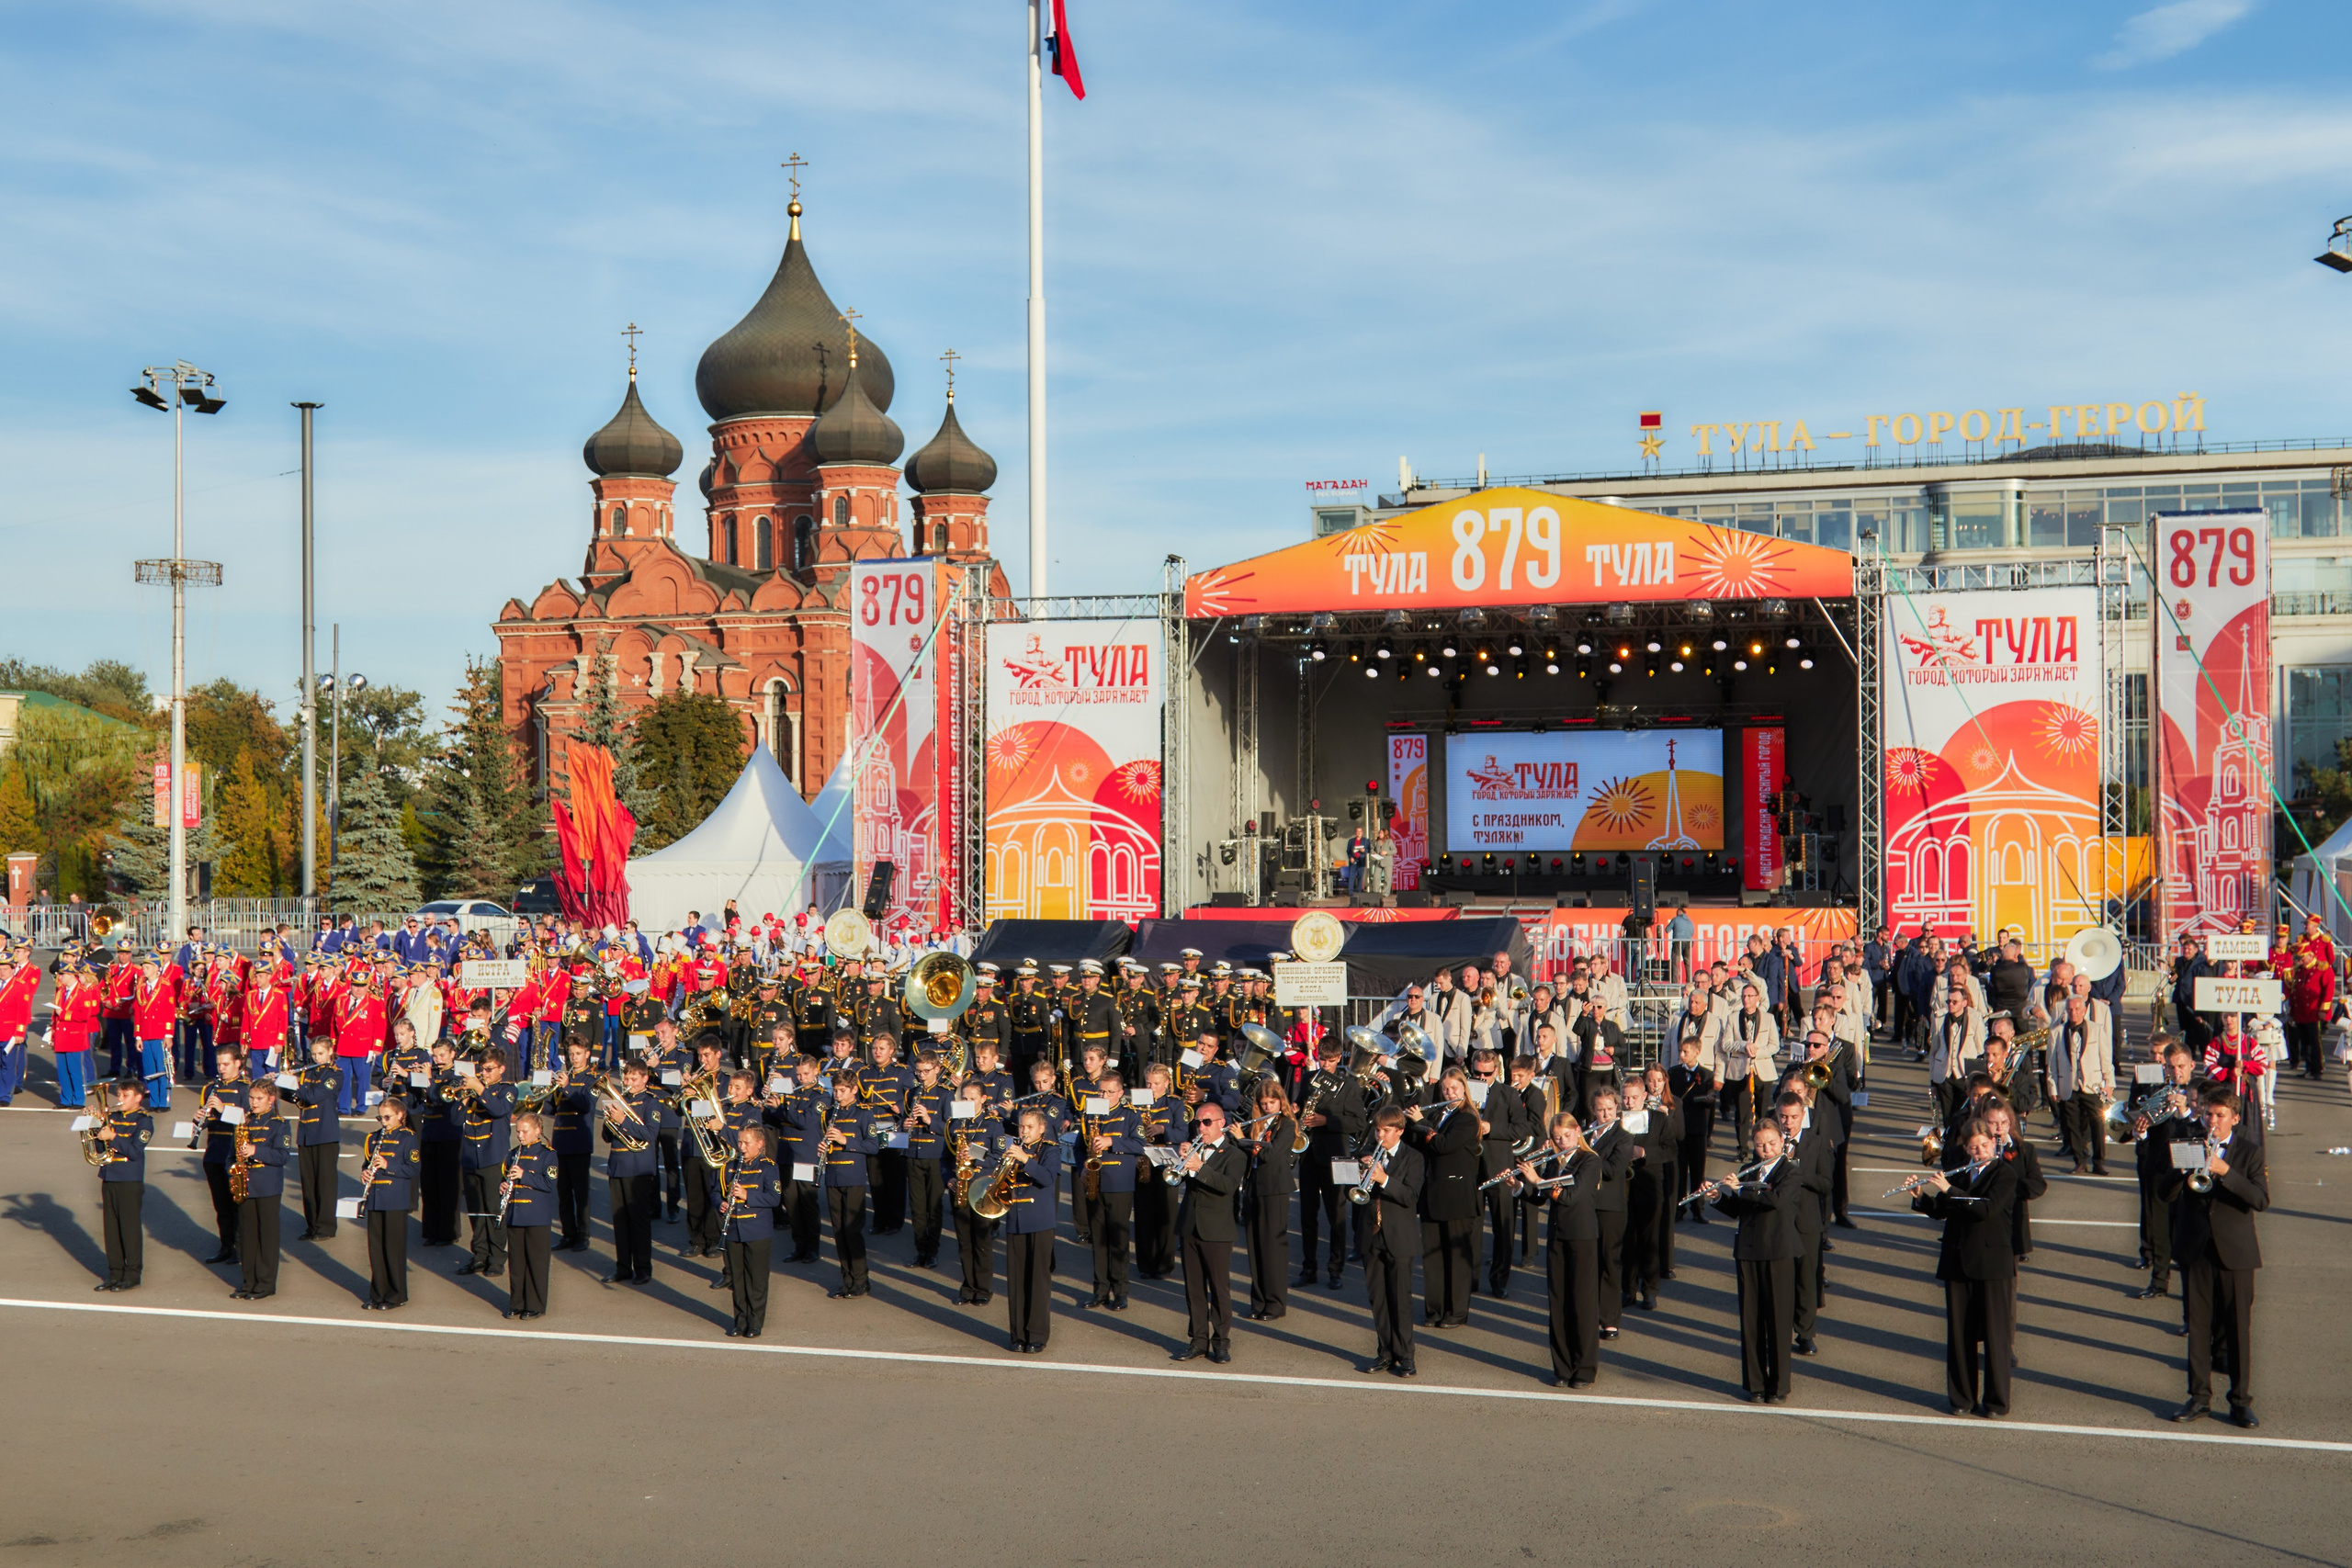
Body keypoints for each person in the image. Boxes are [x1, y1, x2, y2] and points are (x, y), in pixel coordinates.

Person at [2165, 1088, 2267, 1427]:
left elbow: (2260, 1199)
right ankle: (2198, 1398)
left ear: (2234, 1119)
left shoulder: (2249, 1153)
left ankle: (2240, 1401)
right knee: (2197, 1327)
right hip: (2197, 1250)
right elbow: (2163, 1193)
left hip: (2235, 1254)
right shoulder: (2188, 1144)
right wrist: (2180, 1172)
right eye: (2209, 1114)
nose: (2212, 1120)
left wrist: (2225, 1171)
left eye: (2220, 1115)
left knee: (2238, 1329)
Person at [1912, 1120, 2021, 1417]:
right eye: (1973, 1147)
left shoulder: (2004, 1174)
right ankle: (1962, 1398)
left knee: (1996, 1337)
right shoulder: (1962, 1171)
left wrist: (1949, 1189)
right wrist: (1922, 1199)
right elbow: (1944, 1211)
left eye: (1984, 1146)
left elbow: (1985, 1209)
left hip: (1991, 1265)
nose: (1979, 1151)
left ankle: (1997, 1402)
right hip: (1958, 1260)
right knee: (1960, 1336)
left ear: (1994, 1143)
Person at [1704, 1118, 1800, 1403]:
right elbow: (1736, 1209)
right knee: (1751, 1320)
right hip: (1748, 1251)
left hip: (1778, 1252)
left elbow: (1775, 1202)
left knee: (1778, 1321)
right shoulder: (1749, 1169)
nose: (1766, 1149)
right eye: (1760, 1145)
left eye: (1771, 1143)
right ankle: (1755, 1385)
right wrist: (1717, 1197)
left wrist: (1740, 1189)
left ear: (1782, 1142)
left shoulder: (1790, 1172)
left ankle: (1779, 1386)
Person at [1519, 1113, 1600, 1387]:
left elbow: (1571, 1197)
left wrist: (1537, 1180)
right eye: (1557, 1138)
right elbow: (1542, 1198)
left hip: (1582, 1238)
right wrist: (1520, 1186)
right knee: (1558, 1303)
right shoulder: (1554, 1161)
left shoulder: (1590, 1161)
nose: (1562, 1142)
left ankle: (1585, 1370)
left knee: (1583, 1304)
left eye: (1566, 1136)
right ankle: (1562, 1368)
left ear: (1578, 1131)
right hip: (1557, 1238)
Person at [1404, 1069, 1481, 1329]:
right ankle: (1434, 1309)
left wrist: (1422, 1122)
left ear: (1463, 1089)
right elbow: (1418, 1143)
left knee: (1456, 1259)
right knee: (1433, 1257)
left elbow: (1443, 1144)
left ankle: (1457, 1312)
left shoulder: (1468, 1118)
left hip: (1456, 1195)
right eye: (1446, 1089)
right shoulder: (1438, 1115)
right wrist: (1407, 1123)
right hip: (1432, 1193)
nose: (1449, 1093)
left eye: (1454, 1088)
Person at [1171, 1101, 1248, 1363]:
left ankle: (1221, 1342)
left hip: (1217, 1229)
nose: (1200, 1127)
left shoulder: (1234, 1154)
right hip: (1190, 1225)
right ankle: (1198, 1340)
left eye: (1206, 1122)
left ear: (1221, 1124)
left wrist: (1199, 1167)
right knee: (1193, 1288)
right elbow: (1178, 1179)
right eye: (1198, 1122)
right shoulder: (1195, 1149)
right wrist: (1179, 1162)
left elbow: (1228, 1186)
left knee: (1219, 1288)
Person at [2131, 1041, 2203, 1301]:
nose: (2176, 1072)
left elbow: (2205, 1128)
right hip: (2160, 1166)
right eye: (2171, 1067)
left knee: (2186, 1230)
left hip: (2188, 1168)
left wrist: (2185, 1110)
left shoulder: (2201, 1091)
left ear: (2191, 1065)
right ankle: (2159, 1280)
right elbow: (2146, 1131)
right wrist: (2140, 1132)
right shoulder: (2157, 1090)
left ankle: (2191, 1292)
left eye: (2181, 1066)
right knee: (2159, 1228)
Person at [1357, 1106, 1424, 1378]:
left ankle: (1406, 1355)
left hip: (1399, 1236)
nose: (1379, 1135)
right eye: (1377, 1130)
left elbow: (1410, 1196)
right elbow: (1350, 1189)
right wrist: (1355, 1170)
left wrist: (1384, 1179)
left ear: (1399, 1131)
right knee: (1379, 1299)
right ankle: (1385, 1351)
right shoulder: (1367, 1152)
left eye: (1385, 1130)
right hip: (1371, 1235)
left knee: (1400, 1300)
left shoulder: (1414, 1158)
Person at [1076, 1070, 1143, 1311]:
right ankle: (1100, 1290)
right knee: (1099, 1239)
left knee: (1119, 1239)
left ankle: (1121, 1291)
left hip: (1119, 1184)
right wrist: (1081, 1168)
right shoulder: (1089, 1113)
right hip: (1095, 1181)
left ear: (1120, 1093)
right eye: (1101, 1091)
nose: (1104, 1095)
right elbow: (1079, 1146)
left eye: (1109, 1092)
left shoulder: (1130, 1115)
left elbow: (1140, 1144)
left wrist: (1112, 1142)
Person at [1774, 1091, 1834, 1359]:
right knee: (1780, 1280)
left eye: (1794, 1117)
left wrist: (1796, 1171)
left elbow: (1825, 1183)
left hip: (1807, 1220)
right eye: (1783, 1117)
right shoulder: (1770, 1141)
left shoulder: (1817, 1143)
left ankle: (1806, 1334)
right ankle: (1779, 1330)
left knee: (1807, 1279)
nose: (1788, 1123)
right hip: (1778, 1220)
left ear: (1803, 1116)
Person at [1000, 1106, 1062, 1353]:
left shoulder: (1050, 1150)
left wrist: (1025, 1159)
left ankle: (1036, 1335)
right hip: (1015, 1218)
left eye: (1029, 1127)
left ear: (1042, 1128)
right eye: (1021, 1127)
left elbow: (1047, 1178)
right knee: (1016, 1281)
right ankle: (1017, 1335)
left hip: (1040, 1221)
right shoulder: (1013, 1149)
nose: (1024, 1131)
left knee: (1037, 1281)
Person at [1234, 1079, 1296, 1322]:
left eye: (1273, 1102)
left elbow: (1272, 1154)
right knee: (1254, 1246)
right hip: (1253, 1188)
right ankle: (1258, 1301)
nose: (1269, 1106)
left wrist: (1244, 1141)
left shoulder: (1286, 1124)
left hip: (1275, 1190)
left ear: (1281, 1101)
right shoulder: (1256, 1125)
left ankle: (1276, 1303)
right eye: (1264, 1103)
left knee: (1272, 1248)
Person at [1620, 1073, 1679, 1312]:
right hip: (1623, 1188)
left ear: (1644, 1096)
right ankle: (1628, 1289)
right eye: (1625, 1098)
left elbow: (1671, 1149)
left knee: (1650, 1240)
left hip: (1649, 1185)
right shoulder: (1616, 1119)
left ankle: (1650, 1290)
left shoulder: (1658, 1119)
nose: (1629, 1102)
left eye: (1634, 1097)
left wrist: (1644, 1153)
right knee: (1626, 1241)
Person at [229, 1079, 291, 1301]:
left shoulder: (279, 1124)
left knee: (266, 1236)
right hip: (245, 1185)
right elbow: (231, 1155)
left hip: (267, 1187)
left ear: (271, 1100)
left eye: (259, 1099)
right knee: (246, 1236)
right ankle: (248, 1281)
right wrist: (233, 1171)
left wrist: (256, 1151)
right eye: (251, 1098)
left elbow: (282, 1156)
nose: (254, 1103)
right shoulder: (244, 1122)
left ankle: (265, 1283)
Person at [817, 1073, 877, 1299]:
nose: (838, 1095)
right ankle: (847, 1280)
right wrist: (823, 1148)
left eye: (842, 1090)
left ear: (853, 1090)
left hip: (853, 1178)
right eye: (835, 1090)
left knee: (852, 1231)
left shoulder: (863, 1114)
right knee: (839, 1232)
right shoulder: (830, 1114)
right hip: (833, 1176)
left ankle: (861, 1281)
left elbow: (873, 1146)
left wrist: (845, 1141)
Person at [456, 1050, 515, 1278]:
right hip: (470, 1157)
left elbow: (499, 1110)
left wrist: (480, 1089)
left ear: (501, 1069)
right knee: (476, 1210)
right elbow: (455, 1119)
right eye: (482, 1069)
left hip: (493, 1158)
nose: (484, 1073)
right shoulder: (473, 1091)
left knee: (494, 1210)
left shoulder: (507, 1090)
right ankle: (479, 1254)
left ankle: (497, 1257)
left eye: (489, 1069)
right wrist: (463, 1098)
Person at [718, 1123, 781, 1337]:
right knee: (738, 1279)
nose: (742, 1147)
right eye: (740, 1142)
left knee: (757, 1280)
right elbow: (717, 1191)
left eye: (746, 1143)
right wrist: (720, 1203)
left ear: (760, 1144)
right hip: (734, 1229)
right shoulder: (731, 1165)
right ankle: (740, 1321)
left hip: (757, 1231)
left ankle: (755, 1323)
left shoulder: (769, 1167)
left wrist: (747, 1195)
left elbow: (774, 1198)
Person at [193, 1045, 253, 1267]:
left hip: (234, 1153)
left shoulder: (246, 1088)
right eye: (219, 1064)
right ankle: (226, 1246)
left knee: (237, 1203)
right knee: (221, 1205)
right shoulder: (210, 1088)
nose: (221, 1068)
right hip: (214, 1151)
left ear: (238, 1063)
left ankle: (240, 1246)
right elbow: (207, 1118)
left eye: (226, 1064)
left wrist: (222, 1109)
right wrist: (199, 1117)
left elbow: (248, 1118)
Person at [359, 1097, 420, 1310]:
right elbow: (366, 1164)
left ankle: (396, 1295)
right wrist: (365, 1173)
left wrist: (388, 1164)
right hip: (375, 1198)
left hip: (395, 1200)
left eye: (387, 1117)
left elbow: (413, 1169)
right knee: (375, 1250)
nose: (383, 1122)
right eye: (380, 1117)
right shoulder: (373, 1138)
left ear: (400, 1115)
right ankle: (377, 1294)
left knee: (393, 1250)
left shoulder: (408, 1138)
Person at [91, 1077, 152, 1291]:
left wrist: (113, 1136)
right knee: (111, 1229)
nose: (120, 1099)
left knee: (129, 1229)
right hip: (109, 1176)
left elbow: (135, 1151)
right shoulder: (113, 1118)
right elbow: (99, 1148)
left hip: (129, 1180)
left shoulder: (144, 1121)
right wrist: (93, 1125)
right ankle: (114, 1273)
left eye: (125, 1096)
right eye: (119, 1095)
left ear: (138, 1097)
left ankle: (133, 1274)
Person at [948, 1080, 1004, 1306]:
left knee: (981, 1241)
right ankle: (967, 1286)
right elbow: (944, 1158)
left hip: (982, 1189)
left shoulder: (994, 1124)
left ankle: (983, 1288)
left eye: (972, 1099)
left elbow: (999, 1156)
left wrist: (972, 1153)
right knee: (964, 1241)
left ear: (983, 1099)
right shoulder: (954, 1124)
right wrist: (948, 1178)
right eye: (964, 1098)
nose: (967, 1103)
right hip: (960, 1187)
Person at [2050, 992, 2115, 1176]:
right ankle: (2079, 1160)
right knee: (2071, 1126)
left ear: (2084, 1010)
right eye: (2070, 1009)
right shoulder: (2056, 1032)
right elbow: (2051, 1063)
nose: (2074, 1012)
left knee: (2097, 1124)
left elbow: (2105, 1058)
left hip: (2092, 1085)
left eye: (2077, 1009)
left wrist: (2109, 1083)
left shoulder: (2096, 1029)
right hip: (2068, 1086)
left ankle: (2099, 1162)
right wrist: (2052, 1087)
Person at [501, 1111, 558, 1319]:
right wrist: (503, 1185)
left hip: (536, 1216)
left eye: (525, 1131)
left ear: (537, 1131)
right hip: (516, 1214)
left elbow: (549, 1184)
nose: (521, 1136)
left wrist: (525, 1176)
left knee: (536, 1262)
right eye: (518, 1132)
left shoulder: (547, 1154)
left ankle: (535, 1305)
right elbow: (506, 1177)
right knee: (517, 1263)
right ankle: (517, 1302)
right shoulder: (513, 1153)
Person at [288, 1035, 343, 1242]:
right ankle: (311, 1225)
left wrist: (296, 1086)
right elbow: (296, 1098)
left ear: (330, 1052)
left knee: (325, 1184)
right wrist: (284, 1083)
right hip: (306, 1133)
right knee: (308, 1182)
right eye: (314, 1054)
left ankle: (326, 1226)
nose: (317, 1057)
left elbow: (312, 1096)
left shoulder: (335, 1074)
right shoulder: (308, 1072)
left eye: (321, 1053)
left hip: (325, 1133)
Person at [548, 1040, 597, 1252]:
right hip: (560, 1141)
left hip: (579, 1142)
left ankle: (583, 1235)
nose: (574, 1058)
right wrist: (547, 1091)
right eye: (571, 1054)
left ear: (587, 1054)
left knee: (581, 1192)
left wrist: (567, 1087)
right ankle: (568, 1233)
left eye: (578, 1053)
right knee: (563, 1192)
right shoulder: (564, 1077)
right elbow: (551, 1109)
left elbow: (586, 1106)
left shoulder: (592, 1079)